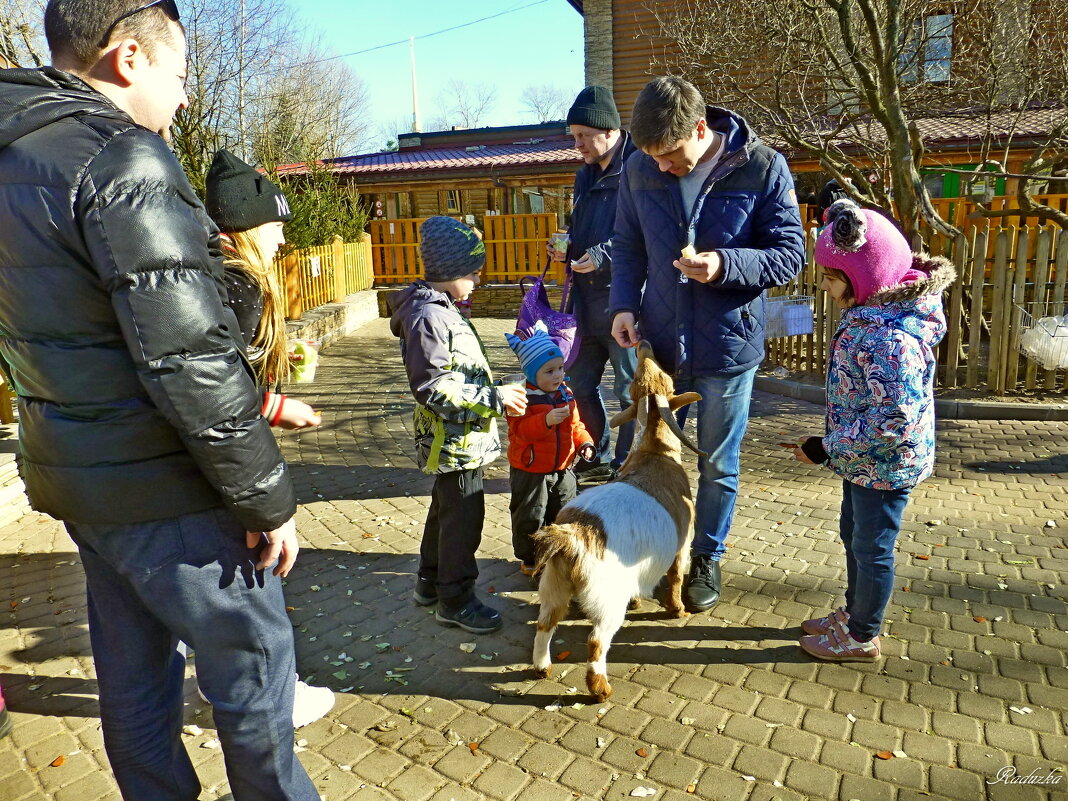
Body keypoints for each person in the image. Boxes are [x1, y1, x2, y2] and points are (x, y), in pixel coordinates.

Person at [0, 2, 319, 799]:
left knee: (134, 685)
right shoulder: (122, 160)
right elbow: (189, 358)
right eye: (180, 77)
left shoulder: (14, 158)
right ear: (129, 57)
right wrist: (267, 495)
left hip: (82, 480)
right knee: (252, 675)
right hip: (170, 489)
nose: (183, 101)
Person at [609, 76, 805, 613]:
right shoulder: (637, 168)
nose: (663, 167)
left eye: (671, 156)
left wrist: (724, 265)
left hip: (727, 351)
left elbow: (790, 255)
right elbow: (626, 247)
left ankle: (706, 556)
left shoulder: (763, 166)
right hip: (660, 349)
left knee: (718, 464)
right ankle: (642, 554)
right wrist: (623, 306)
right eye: (652, 158)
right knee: (645, 454)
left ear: (701, 128)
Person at [788, 199, 953, 661]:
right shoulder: (870, 317)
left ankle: (862, 635)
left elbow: (894, 422)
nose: (823, 284)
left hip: (883, 465)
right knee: (854, 535)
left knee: (872, 547)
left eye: (832, 276)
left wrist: (827, 446)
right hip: (862, 462)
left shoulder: (889, 338)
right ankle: (855, 610)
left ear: (866, 276)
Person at [204, 148, 333, 729]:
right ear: (248, 228)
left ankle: (232, 680)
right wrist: (271, 406)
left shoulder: (207, 272)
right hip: (230, 466)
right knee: (257, 576)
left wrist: (273, 390)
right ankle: (275, 692)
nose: (283, 239)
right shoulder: (240, 285)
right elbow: (212, 386)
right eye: (277, 227)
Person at [388, 216, 527, 634]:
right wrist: (494, 398)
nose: (478, 279)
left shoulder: (440, 310)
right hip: (452, 441)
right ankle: (456, 598)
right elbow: (432, 386)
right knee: (463, 518)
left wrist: (494, 387)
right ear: (450, 272)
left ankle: (430, 582)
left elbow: (457, 371)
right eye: (472, 272)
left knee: (446, 511)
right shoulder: (430, 317)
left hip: (459, 437)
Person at [548, 86, 638, 483]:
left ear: (608, 130)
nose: (577, 144)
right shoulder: (584, 175)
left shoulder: (640, 167)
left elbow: (647, 236)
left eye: (583, 135)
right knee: (579, 384)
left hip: (627, 302)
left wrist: (602, 255)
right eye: (573, 135)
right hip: (584, 305)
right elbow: (582, 228)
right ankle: (594, 455)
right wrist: (565, 247)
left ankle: (630, 466)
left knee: (630, 393)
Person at [504, 323, 596, 574]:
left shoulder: (564, 393)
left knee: (565, 509)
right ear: (532, 374)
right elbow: (519, 432)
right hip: (531, 470)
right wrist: (545, 421)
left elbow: (576, 425)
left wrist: (584, 442)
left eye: (560, 368)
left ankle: (559, 551)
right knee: (530, 514)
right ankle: (530, 557)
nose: (558, 375)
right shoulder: (520, 398)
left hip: (563, 467)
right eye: (549, 371)